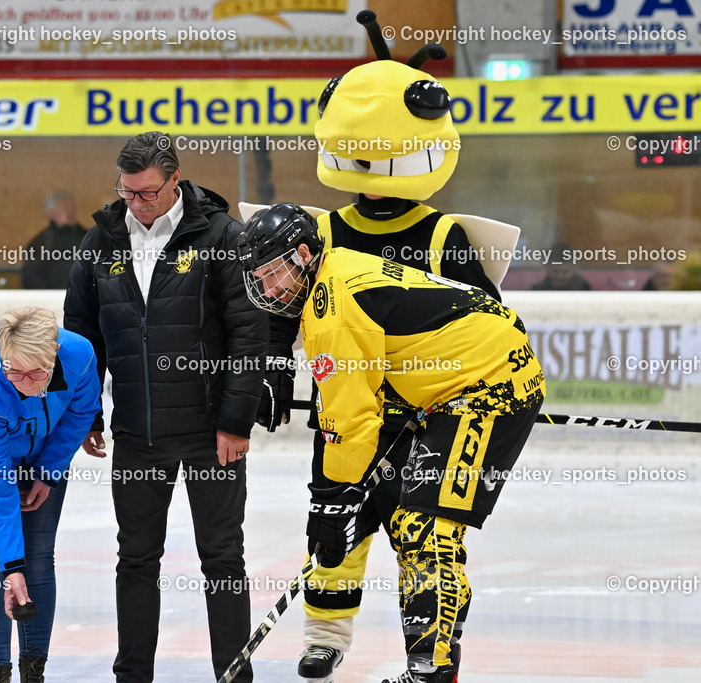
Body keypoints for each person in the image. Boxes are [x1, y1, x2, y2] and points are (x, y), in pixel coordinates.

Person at [256, 12, 513, 682]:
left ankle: (429, 655)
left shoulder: (444, 235)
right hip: (349, 409)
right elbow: (287, 307)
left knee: (427, 535)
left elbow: (479, 319)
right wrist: (270, 367)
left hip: (424, 418)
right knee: (335, 522)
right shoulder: (323, 228)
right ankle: (326, 633)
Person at [239, 203, 545, 683]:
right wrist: (335, 503)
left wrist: (331, 503)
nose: (267, 288)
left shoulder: (332, 312)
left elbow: (351, 421)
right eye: (257, 276)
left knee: (427, 524)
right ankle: (431, 659)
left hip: (488, 387)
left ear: (302, 255)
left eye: (273, 273)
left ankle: (431, 669)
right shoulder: (329, 273)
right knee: (418, 521)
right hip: (455, 387)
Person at [64, 131, 268, 682]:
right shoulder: (100, 242)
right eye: (127, 192)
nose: (136, 203)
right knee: (135, 559)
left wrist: (235, 420)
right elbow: (80, 341)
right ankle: (132, 676)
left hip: (211, 433)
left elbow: (250, 334)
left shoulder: (223, 236)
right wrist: (87, 415)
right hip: (137, 433)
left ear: (175, 180)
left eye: (148, 193)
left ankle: (233, 675)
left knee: (222, 559)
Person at [0, 306, 100, 683]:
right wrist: (11, 566)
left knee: (40, 560)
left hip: (44, 451)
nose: (24, 384)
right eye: (14, 371)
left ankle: (34, 671)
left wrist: (48, 472)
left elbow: (81, 414)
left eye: (36, 374)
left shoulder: (79, 355)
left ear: (54, 355)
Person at [22, 192, 89, 289]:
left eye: (73, 207)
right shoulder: (40, 243)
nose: (71, 211)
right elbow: (31, 278)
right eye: (65, 208)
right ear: (50, 213)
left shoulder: (90, 238)